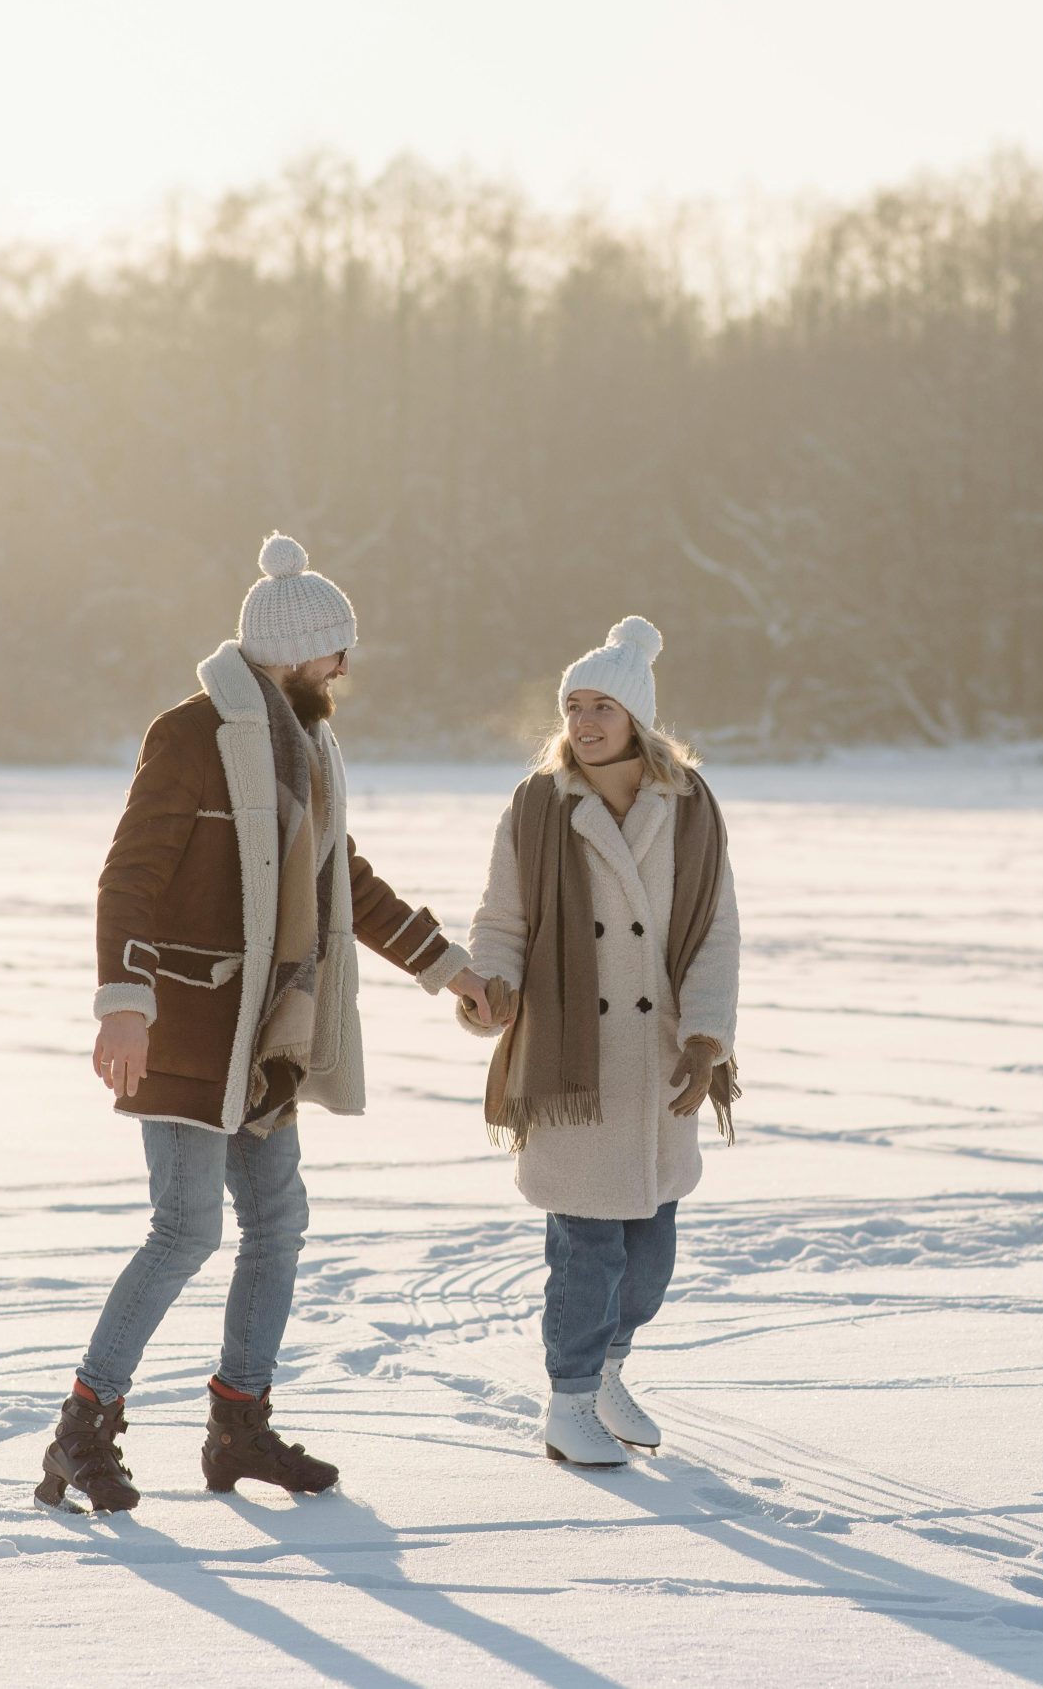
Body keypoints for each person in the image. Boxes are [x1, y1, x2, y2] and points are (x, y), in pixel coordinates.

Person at [37, 531, 495, 1512]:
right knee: (184, 1227)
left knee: (277, 1221)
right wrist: (125, 1004)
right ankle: (81, 1427)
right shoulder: (194, 734)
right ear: (298, 650)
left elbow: (346, 882)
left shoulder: (310, 744)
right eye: (337, 650)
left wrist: (447, 967)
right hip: (192, 1024)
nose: (345, 668)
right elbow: (130, 876)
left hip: (272, 1033)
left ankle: (237, 1424)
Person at [455, 616, 742, 1468]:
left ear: (636, 717)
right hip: (571, 1059)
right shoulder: (539, 804)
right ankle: (569, 1399)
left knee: (648, 1258)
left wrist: (707, 1038)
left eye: (600, 707)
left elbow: (716, 930)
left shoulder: (690, 804)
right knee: (587, 1248)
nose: (582, 722)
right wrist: (490, 983)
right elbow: (503, 914)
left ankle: (610, 1368)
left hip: (654, 1060)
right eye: (572, 706)